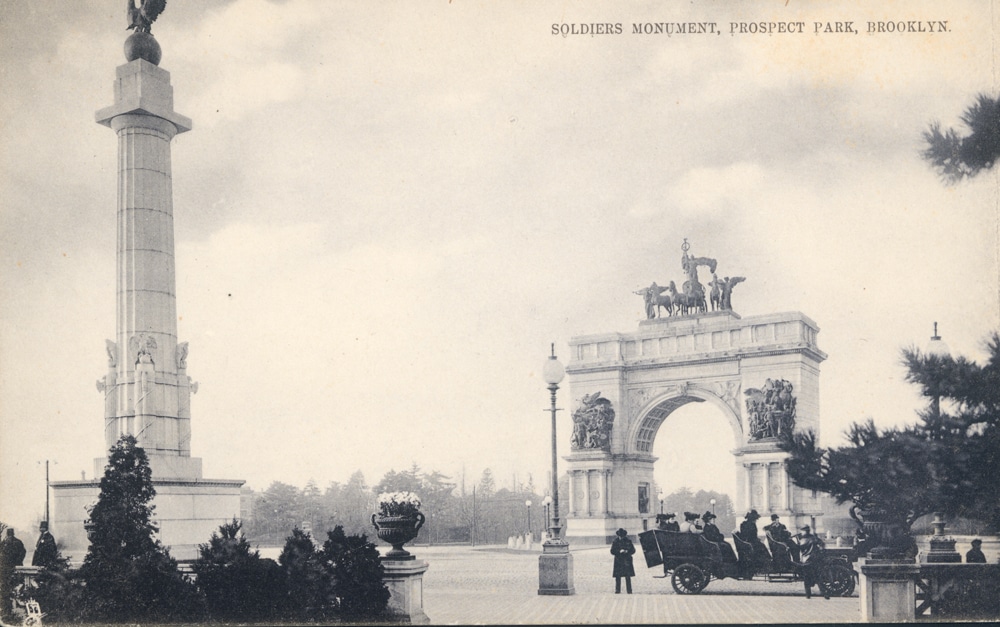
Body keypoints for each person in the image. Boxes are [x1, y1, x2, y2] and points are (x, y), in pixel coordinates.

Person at [795, 525, 828, 600]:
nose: (801, 532)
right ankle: (824, 594)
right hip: (815, 560)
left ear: (804, 531)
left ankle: (808, 595)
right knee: (819, 578)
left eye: (802, 531)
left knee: (807, 578)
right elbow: (822, 544)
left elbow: (799, 548)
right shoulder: (814, 538)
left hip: (807, 561)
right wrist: (821, 551)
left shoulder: (803, 540)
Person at [0, 528, 27, 621]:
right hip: (8, 568)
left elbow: (23, 552)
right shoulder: (11, 542)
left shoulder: (10, 542)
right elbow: (23, 552)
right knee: (10, 588)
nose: (9, 536)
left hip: (11, 568)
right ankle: (9, 608)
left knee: (13, 587)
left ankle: (11, 608)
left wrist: (17, 562)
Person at [611, 528, 635, 594]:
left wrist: (627, 551)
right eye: (620, 536)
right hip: (618, 560)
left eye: (622, 536)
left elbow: (633, 550)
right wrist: (619, 551)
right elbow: (612, 551)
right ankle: (617, 590)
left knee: (628, 576)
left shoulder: (628, 541)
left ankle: (629, 590)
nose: (621, 537)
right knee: (618, 576)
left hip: (626, 560)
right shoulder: (615, 541)